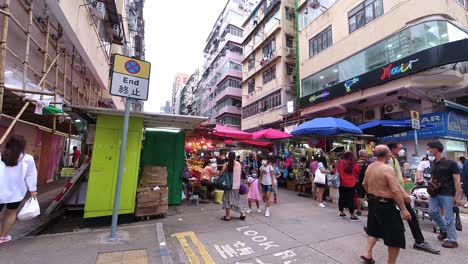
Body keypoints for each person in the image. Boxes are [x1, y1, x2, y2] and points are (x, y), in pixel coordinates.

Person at [360, 145, 411, 264]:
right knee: (395, 236)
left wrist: (373, 195)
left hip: (373, 203)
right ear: (388, 155)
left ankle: (367, 253)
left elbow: (364, 184)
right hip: (385, 205)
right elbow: (395, 190)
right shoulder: (387, 169)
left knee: (374, 229)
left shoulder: (370, 167)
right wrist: (404, 210)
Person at [387, 142, 439, 254]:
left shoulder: (394, 159)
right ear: (393, 149)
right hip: (395, 193)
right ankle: (419, 241)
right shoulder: (390, 160)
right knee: (411, 216)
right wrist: (404, 193)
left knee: (385, 215)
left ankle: (373, 231)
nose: (402, 150)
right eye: (400, 148)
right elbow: (392, 179)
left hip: (396, 192)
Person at [0, 135, 38, 244]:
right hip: (16, 193)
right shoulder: (28, 159)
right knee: (11, 213)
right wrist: (33, 190)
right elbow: (31, 175)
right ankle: (3, 237)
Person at [427, 141, 462, 248]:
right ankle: (445, 230)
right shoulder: (433, 163)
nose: (428, 151)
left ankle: (452, 240)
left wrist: (457, 196)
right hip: (434, 193)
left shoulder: (451, 163)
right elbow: (433, 178)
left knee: (449, 216)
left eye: (429, 149)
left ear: (436, 149)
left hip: (447, 193)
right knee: (432, 212)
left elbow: (457, 180)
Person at [220, 152, 246, 221]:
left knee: (227, 200)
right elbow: (240, 174)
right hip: (237, 186)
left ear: (228, 157)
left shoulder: (226, 164)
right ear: (235, 157)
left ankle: (227, 216)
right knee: (237, 199)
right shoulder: (239, 164)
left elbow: (221, 173)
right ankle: (242, 213)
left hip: (229, 185)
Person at [336, 151, 360, 221]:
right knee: (351, 199)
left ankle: (341, 212)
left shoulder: (340, 162)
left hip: (341, 183)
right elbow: (358, 171)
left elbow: (335, 170)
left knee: (341, 197)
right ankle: (352, 215)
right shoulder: (354, 163)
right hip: (351, 183)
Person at [356, 149, 370, 216]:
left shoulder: (357, 162)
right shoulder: (369, 162)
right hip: (368, 181)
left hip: (359, 181)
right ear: (365, 155)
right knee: (369, 196)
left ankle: (358, 210)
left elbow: (356, 172)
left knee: (360, 196)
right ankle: (370, 211)